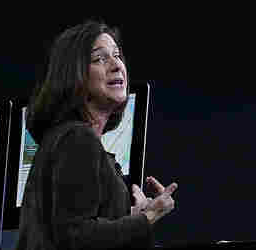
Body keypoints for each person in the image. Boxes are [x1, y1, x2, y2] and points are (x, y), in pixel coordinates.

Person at [16, 20, 177, 250]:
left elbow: (76, 223)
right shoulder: (77, 139)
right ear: (74, 74)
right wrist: (148, 217)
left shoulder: (65, 137)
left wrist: (133, 215)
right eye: (100, 58)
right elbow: (77, 236)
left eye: (117, 55)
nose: (116, 65)